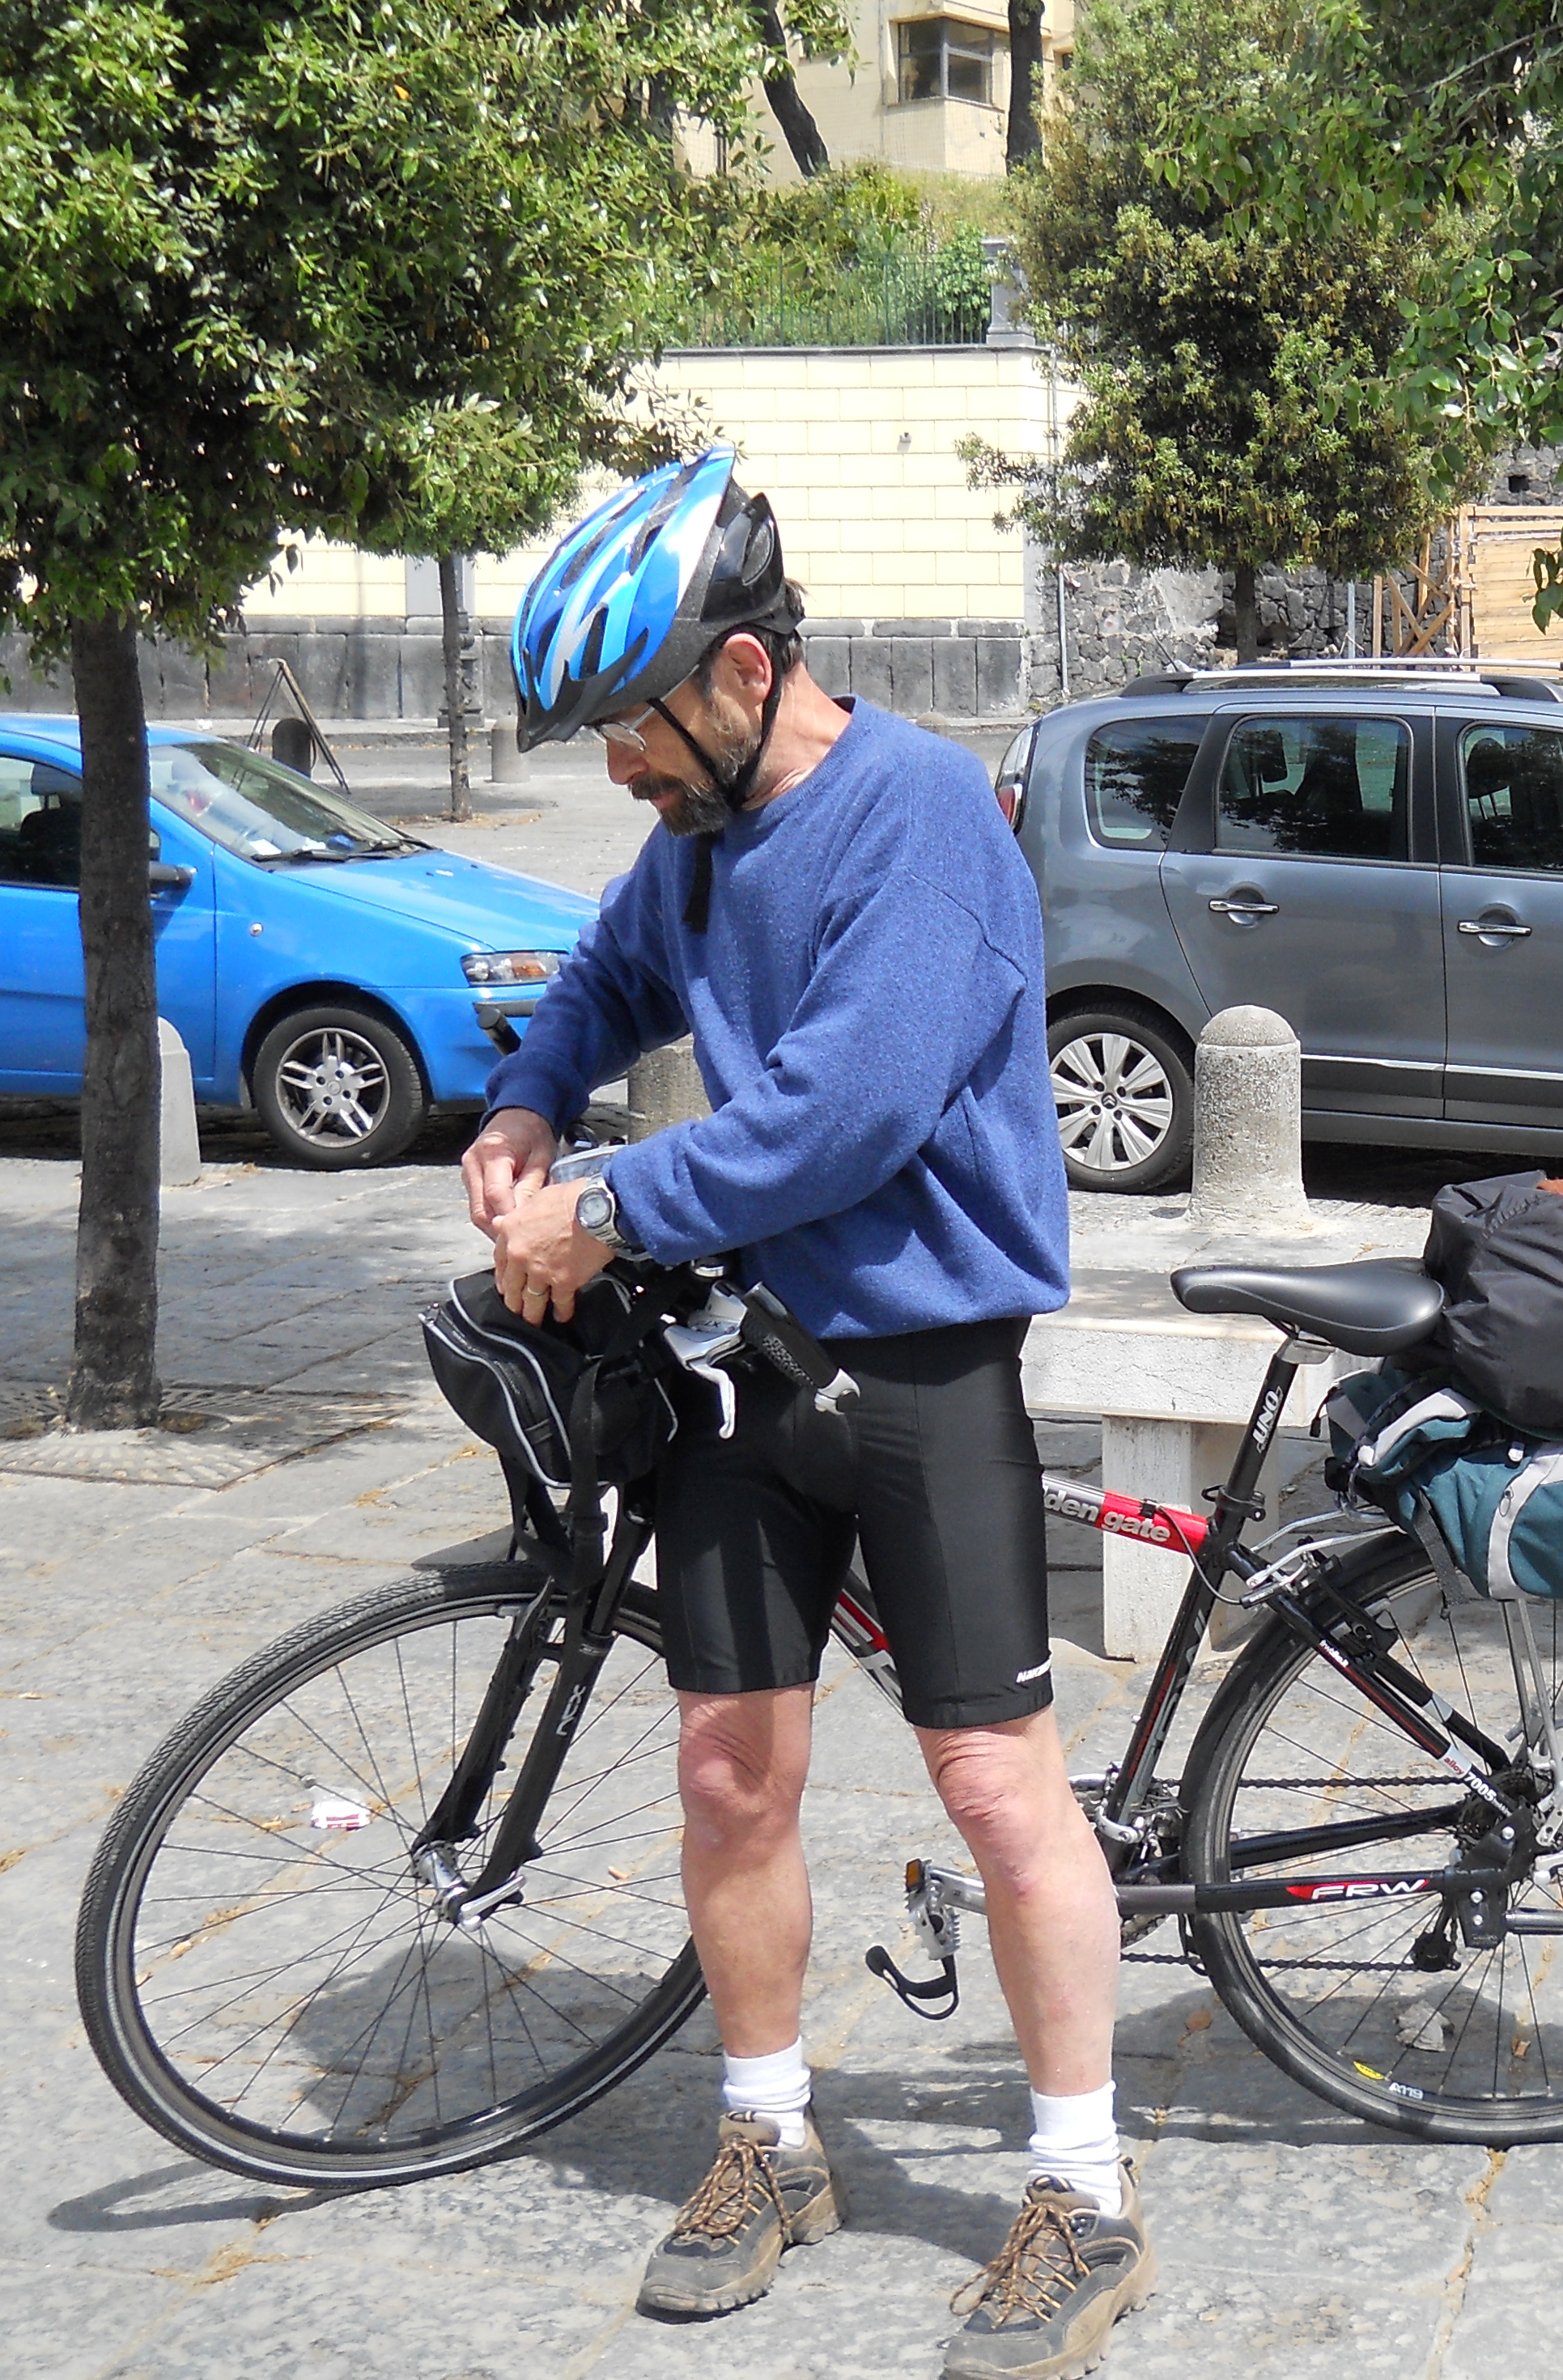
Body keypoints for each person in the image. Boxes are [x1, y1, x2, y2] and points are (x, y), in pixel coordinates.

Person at [463, 448, 1149, 2378]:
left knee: (996, 1787)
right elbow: (611, 972)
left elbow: (843, 1115)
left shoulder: (919, 815)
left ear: (744, 672)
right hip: (738, 1369)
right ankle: (767, 2142)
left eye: (629, 722)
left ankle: (1081, 2192)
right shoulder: (697, 834)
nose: (618, 764)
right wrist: (528, 1099)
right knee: (726, 1773)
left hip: (919, 1369)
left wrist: (604, 1207)